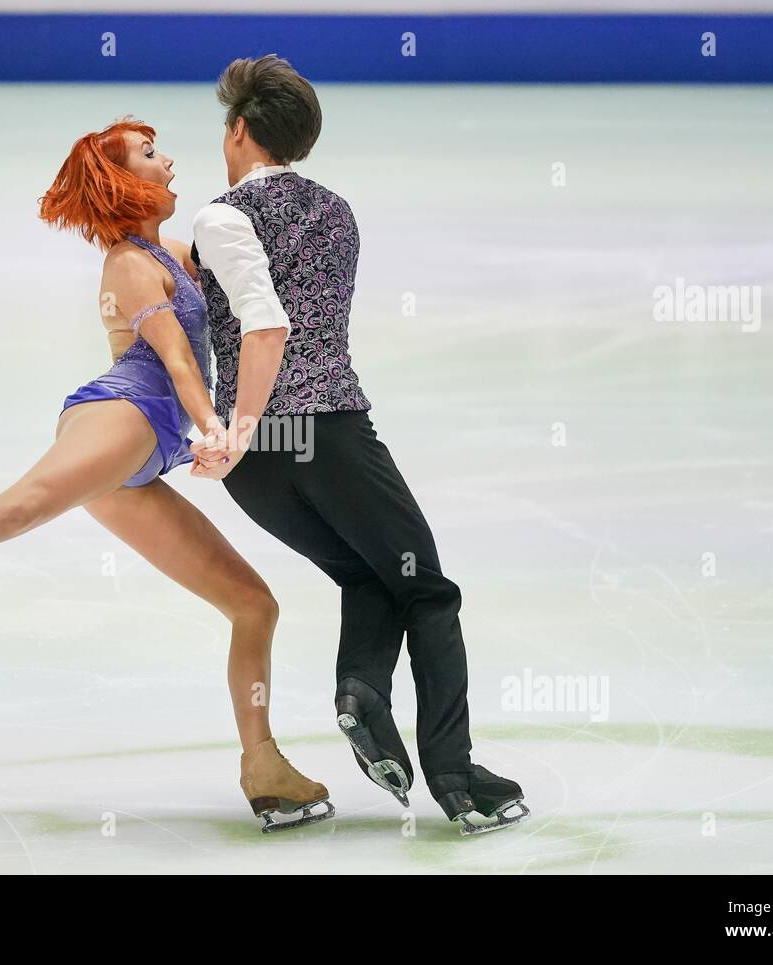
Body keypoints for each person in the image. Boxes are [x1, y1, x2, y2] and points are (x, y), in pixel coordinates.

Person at [0, 117, 333, 834]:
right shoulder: (128, 266)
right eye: (150, 154)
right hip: (127, 414)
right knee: (26, 505)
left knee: (253, 605)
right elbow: (177, 359)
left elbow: (246, 273)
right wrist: (215, 427)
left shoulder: (166, 249)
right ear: (123, 182)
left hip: (146, 454)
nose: (170, 161)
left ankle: (263, 764)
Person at [187, 56, 530, 835]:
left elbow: (237, 314)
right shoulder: (338, 213)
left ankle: (362, 693)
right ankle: (455, 773)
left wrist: (236, 436)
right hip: (330, 439)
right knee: (428, 590)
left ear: (238, 131)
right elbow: (275, 323)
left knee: (370, 575)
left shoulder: (220, 217)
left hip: (259, 464)